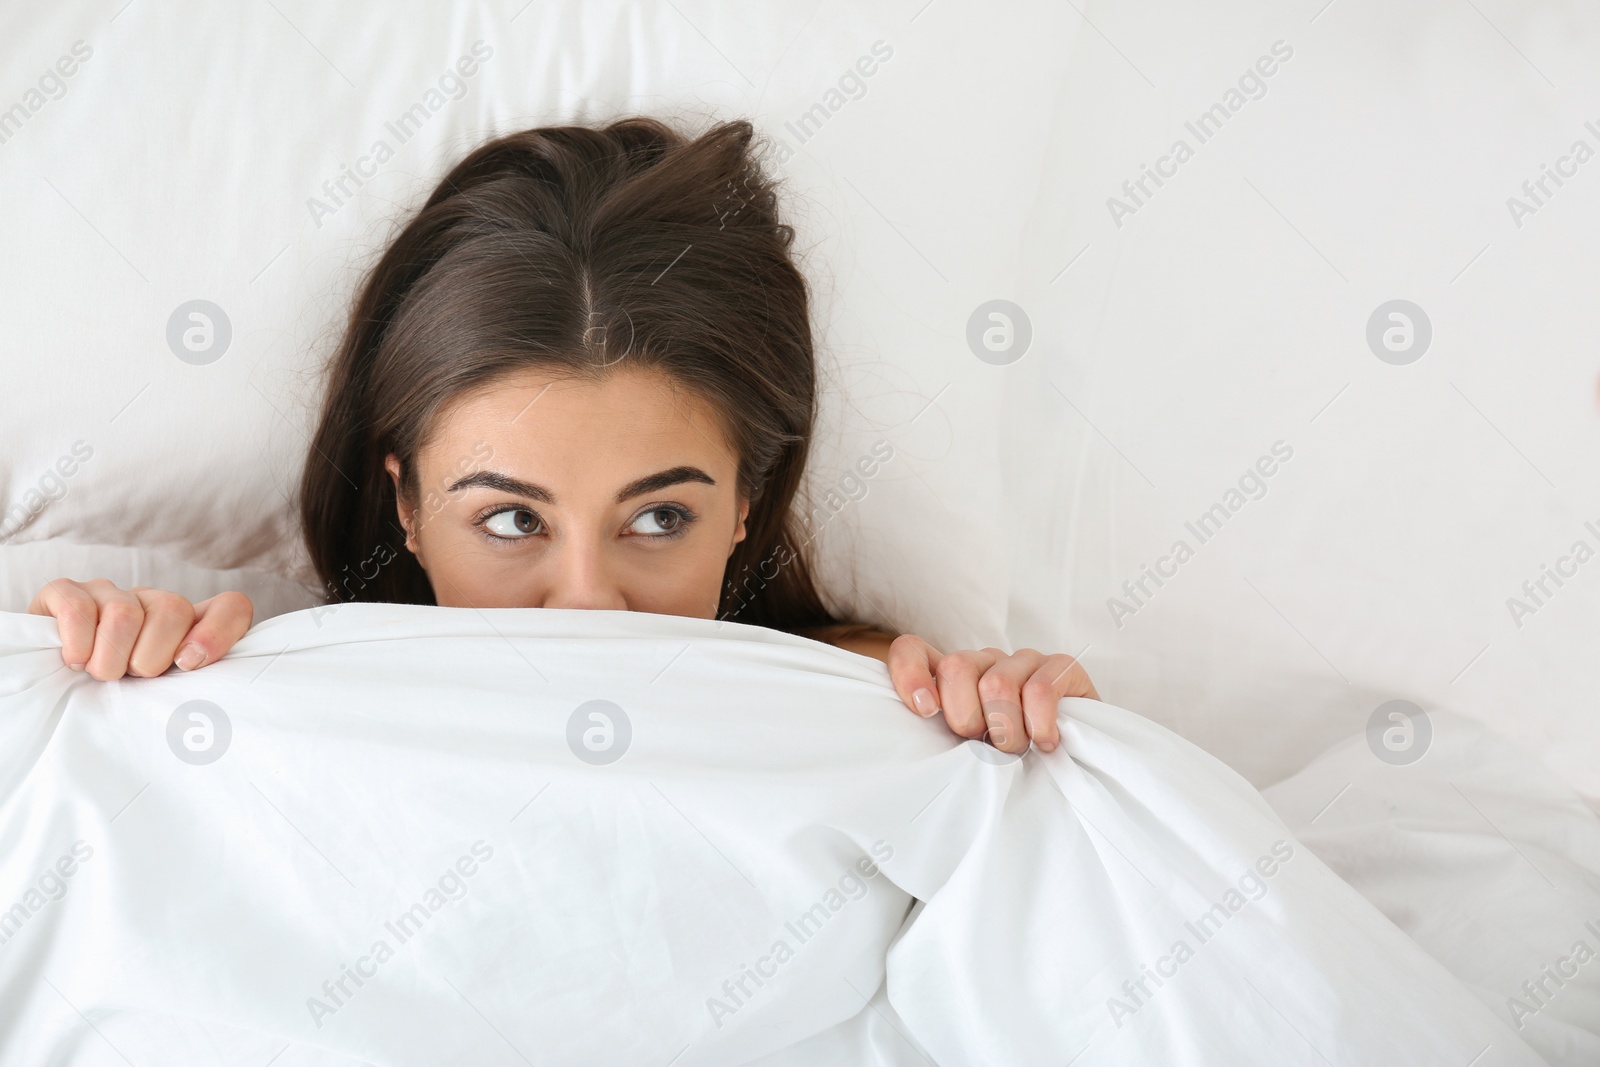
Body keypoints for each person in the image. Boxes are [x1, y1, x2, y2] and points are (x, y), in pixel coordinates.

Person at [28, 116, 1097, 754]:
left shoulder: (889, 708)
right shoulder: (273, 691)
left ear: (745, 506)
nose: (587, 601)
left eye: (659, 515)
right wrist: (122, 677)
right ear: (405, 503)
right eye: (507, 517)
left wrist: (1050, 740)